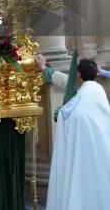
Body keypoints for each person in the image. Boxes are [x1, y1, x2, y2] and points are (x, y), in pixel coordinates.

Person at [45, 59, 110, 210]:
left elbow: (69, 114)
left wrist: (58, 112)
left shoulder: (84, 95)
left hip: (83, 153)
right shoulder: (98, 90)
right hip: (102, 152)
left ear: (79, 75)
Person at [35, 53, 110, 90]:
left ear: (78, 74)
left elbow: (65, 80)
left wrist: (43, 67)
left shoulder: (82, 90)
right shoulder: (98, 88)